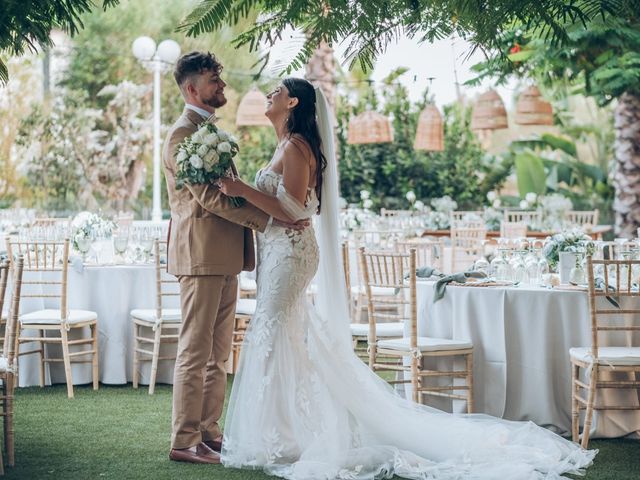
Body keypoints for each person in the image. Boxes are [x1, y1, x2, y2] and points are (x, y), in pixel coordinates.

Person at [216, 76, 596, 479]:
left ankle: (284, 433)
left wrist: (239, 187)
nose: (269, 95)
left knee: (275, 332)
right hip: (281, 251)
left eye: (276, 91)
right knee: (284, 334)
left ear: (292, 102)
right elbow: (290, 207)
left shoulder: (295, 146)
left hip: (289, 255)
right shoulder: (286, 144)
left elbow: (293, 208)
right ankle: (286, 428)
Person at [162, 51, 301, 465]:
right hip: (200, 256)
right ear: (191, 89)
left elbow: (229, 189)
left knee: (219, 352)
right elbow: (209, 197)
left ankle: (209, 432)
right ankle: (184, 441)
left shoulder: (207, 131)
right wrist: (271, 220)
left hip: (224, 257)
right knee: (194, 351)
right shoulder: (182, 137)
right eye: (213, 80)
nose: (222, 86)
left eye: (220, 79)